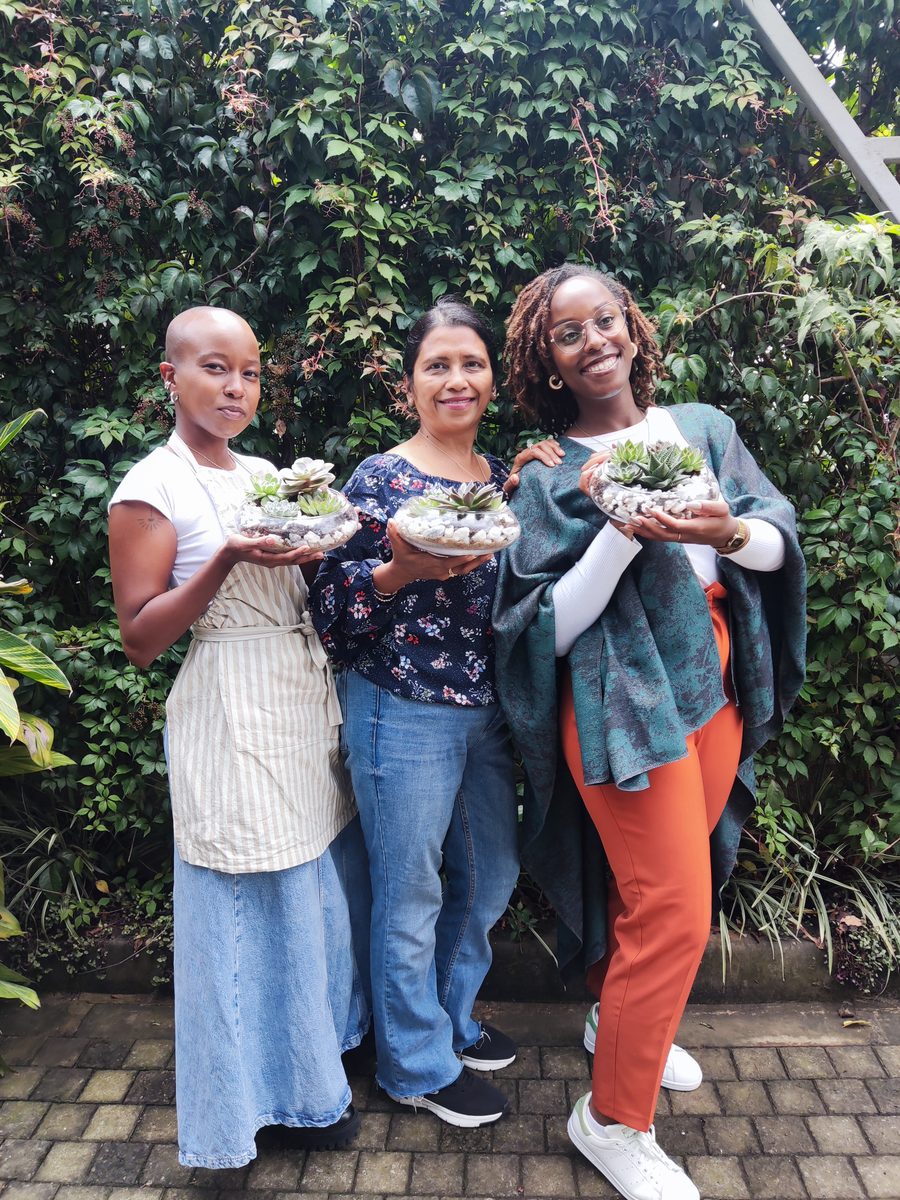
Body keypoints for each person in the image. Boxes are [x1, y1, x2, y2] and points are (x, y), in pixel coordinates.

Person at [494, 265, 806, 1200]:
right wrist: (622, 529)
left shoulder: (703, 430)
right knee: (674, 909)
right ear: (546, 361)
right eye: (567, 334)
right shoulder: (548, 475)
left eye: (605, 321)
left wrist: (727, 533)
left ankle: (612, 1020)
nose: (594, 342)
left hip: (714, 686)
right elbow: (541, 629)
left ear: (632, 325)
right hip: (617, 702)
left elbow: (778, 536)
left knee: (668, 886)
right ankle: (613, 1118)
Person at [107, 306, 370, 1169]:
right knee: (242, 907)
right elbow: (141, 639)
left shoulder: (266, 472)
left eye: (251, 372)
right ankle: (243, 1115)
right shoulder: (153, 487)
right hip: (227, 702)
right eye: (215, 368)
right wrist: (225, 557)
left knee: (313, 892)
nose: (236, 387)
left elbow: (304, 566)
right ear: (170, 377)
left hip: (298, 698)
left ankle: (313, 1080)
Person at [309, 299, 563, 1128]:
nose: (457, 379)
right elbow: (332, 607)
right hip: (400, 707)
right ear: (410, 384)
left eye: (472, 363)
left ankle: (447, 1018)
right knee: (410, 889)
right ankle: (414, 1064)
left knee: (490, 874)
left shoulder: (491, 477)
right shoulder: (380, 479)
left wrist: (526, 484)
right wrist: (403, 573)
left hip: (484, 709)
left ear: (492, 376)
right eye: (437, 366)